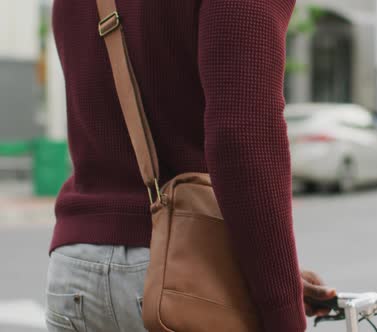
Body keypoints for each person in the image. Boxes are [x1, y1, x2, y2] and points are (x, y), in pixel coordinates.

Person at [45, 0, 335, 331]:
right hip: (178, 283)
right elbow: (243, 137)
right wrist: (282, 309)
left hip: (74, 267)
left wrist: (277, 279)